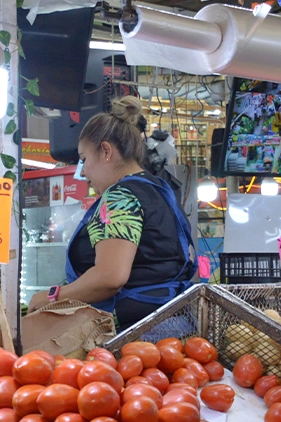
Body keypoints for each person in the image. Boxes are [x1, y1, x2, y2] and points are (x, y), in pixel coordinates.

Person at [27, 96, 197, 329]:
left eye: (84, 159)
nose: (83, 172)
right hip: (174, 324)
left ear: (106, 151)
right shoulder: (160, 190)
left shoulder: (120, 197)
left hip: (135, 335)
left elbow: (110, 277)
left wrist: (52, 297)